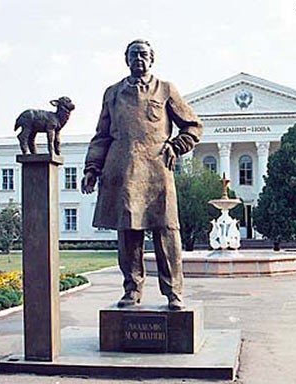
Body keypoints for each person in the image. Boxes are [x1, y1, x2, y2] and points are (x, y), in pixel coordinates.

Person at [81, 39, 203, 310]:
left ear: (152, 59)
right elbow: (101, 136)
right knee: (128, 235)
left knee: (167, 233)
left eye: (144, 54)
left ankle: (174, 293)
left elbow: (193, 126)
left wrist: (176, 145)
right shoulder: (112, 93)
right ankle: (132, 290)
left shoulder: (166, 90)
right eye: (134, 54)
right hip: (122, 172)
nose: (139, 58)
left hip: (158, 171)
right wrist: (92, 168)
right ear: (126, 59)